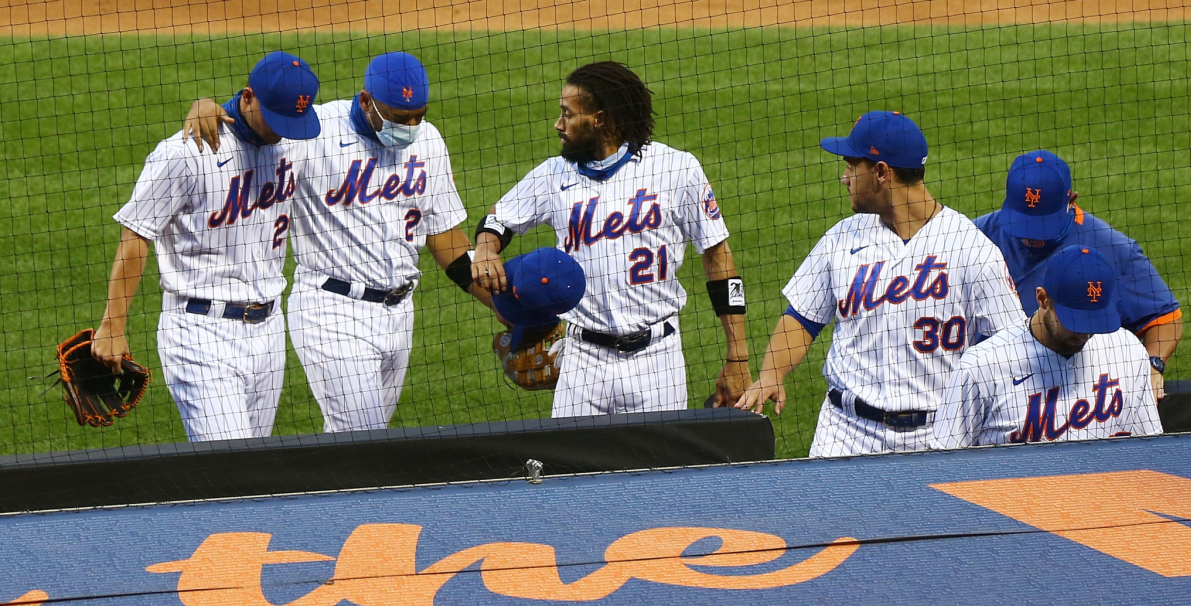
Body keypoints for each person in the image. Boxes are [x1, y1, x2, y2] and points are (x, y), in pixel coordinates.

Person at [183, 53, 496, 433]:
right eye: (398, 118)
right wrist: (210, 107)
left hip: (400, 313)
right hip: (332, 310)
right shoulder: (315, 134)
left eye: (419, 115)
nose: (411, 126)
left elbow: (444, 235)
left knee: (361, 449)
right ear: (366, 101)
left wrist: (504, 306)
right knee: (362, 439)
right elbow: (255, 131)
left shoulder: (428, 141)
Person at [736, 111, 1024, 456]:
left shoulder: (971, 249)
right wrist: (771, 373)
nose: (844, 178)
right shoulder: (841, 238)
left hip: (936, 438)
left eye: (851, 166)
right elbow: (801, 319)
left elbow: (1012, 346)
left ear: (882, 173)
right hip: (844, 432)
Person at [472, 61, 750, 417]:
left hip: (658, 361)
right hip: (582, 360)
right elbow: (498, 220)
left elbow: (719, 259)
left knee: (663, 472)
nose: (559, 125)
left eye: (567, 115)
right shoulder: (553, 175)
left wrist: (737, 356)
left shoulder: (676, 169)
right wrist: (485, 246)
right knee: (572, 472)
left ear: (599, 119)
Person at [94, 52, 321, 442]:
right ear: (248, 97)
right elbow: (135, 236)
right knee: (232, 472)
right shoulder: (185, 153)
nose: (284, 131)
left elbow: (367, 113)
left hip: (269, 331)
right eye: (277, 119)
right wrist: (113, 326)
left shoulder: (296, 140)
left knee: (252, 471)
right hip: (201, 333)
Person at [974, 151, 1182, 400]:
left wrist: (1152, 366)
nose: (1031, 236)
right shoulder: (973, 238)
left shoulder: (1112, 248)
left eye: (1043, 224)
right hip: (991, 391)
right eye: (1024, 222)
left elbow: (1165, 317)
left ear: (1071, 201)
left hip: (1077, 394)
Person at [932, 245, 1162, 447]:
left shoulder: (1127, 350)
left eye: (1094, 321)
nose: (1085, 334)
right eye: (1075, 321)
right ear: (1043, 300)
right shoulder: (982, 367)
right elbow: (943, 462)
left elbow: (1150, 447)